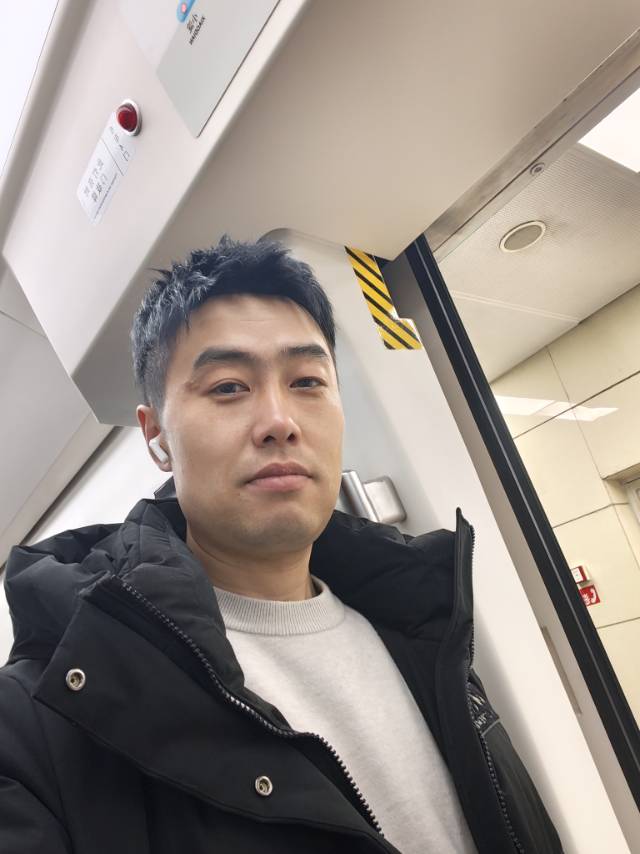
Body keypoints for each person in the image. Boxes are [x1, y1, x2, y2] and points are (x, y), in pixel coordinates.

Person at [0, 235, 563, 853]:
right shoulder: (43, 716)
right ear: (156, 435)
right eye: (228, 387)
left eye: (307, 381)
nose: (279, 421)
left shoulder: (424, 631)